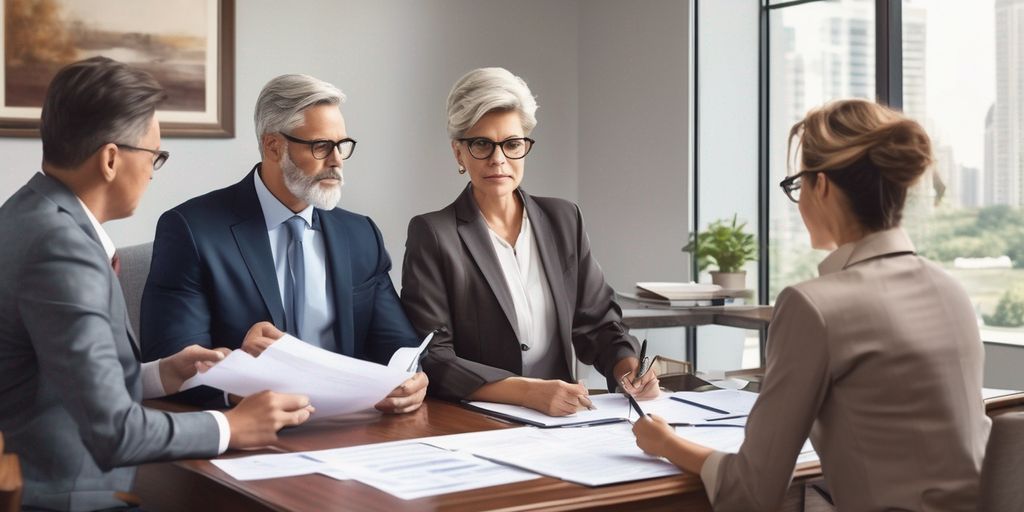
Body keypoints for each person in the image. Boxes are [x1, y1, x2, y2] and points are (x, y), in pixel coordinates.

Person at [632, 99, 990, 511]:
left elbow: (751, 492)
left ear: (821, 186)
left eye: (797, 186)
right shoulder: (952, 291)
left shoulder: (815, 306)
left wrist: (667, 443)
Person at [0, 57, 313, 512]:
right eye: (154, 157)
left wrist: (164, 373)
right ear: (111, 159)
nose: (151, 172)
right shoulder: (62, 248)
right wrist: (232, 426)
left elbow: (54, 374)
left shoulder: (27, 214)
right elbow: (114, 431)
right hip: (62, 493)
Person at [141, 74, 427, 414]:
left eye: (342, 145)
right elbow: (174, 360)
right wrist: (239, 389)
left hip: (350, 428)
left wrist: (411, 378)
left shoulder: (360, 234)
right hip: (246, 428)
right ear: (274, 146)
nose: (336, 160)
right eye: (321, 146)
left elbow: (396, 345)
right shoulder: (192, 230)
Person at [401, 67, 658, 416]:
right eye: (481, 144)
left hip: (564, 420)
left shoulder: (564, 219)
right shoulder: (433, 234)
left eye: (511, 143)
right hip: (474, 422)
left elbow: (598, 325)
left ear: (525, 146)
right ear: (459, 153)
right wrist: (526, 392)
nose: (498, 159)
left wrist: (629, 369)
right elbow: (434, 356)